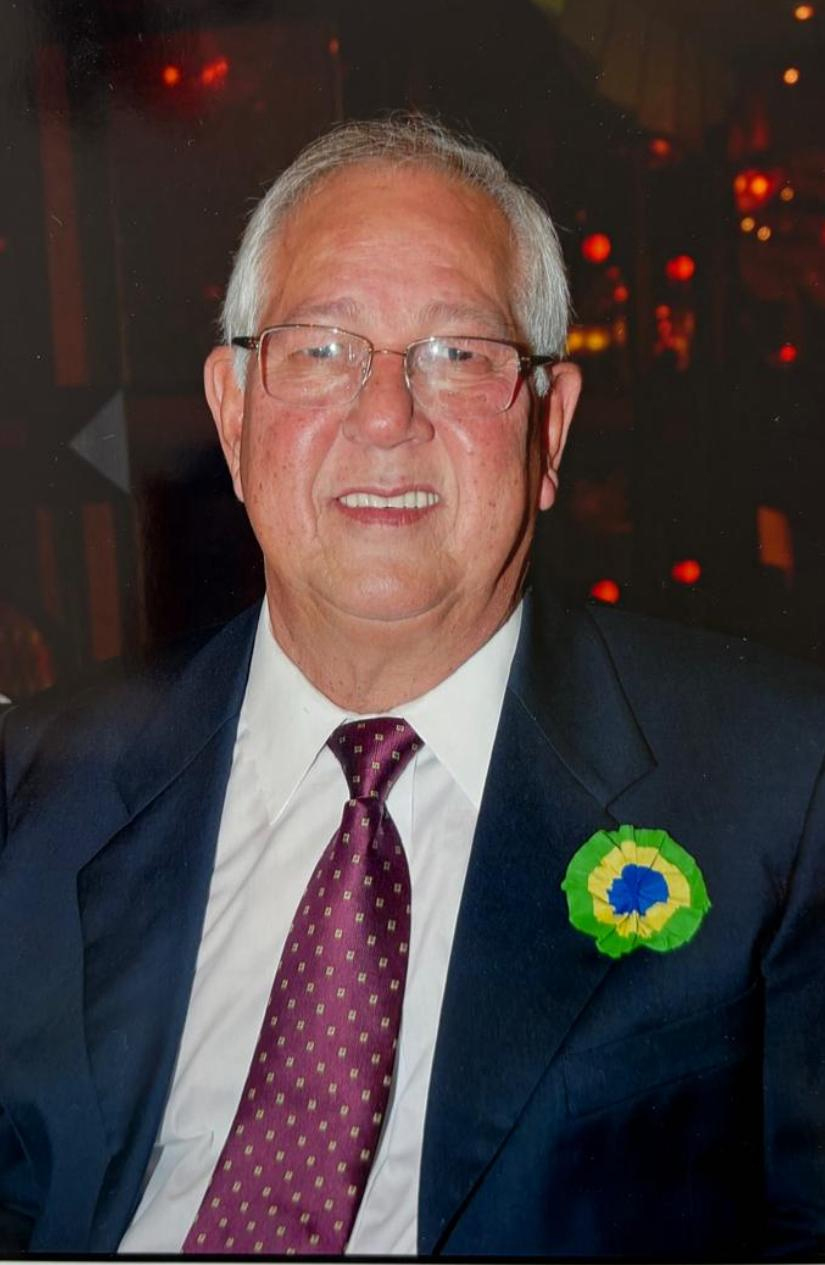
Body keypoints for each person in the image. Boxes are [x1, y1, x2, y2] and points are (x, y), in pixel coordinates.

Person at [1, 114, 824, 1261]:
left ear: (549, 430)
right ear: (233, 415)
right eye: (320, 350)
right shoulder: (36, 789)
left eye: (458, 353)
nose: (386, 414)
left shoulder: (780, 787)